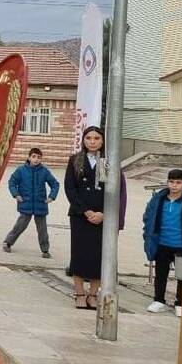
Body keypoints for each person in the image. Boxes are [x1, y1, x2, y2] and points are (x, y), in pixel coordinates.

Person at [64, 125, 109, 310]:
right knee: (79, 256)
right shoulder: (75, 160)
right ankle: (80, 294)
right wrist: (86, 211)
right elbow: (70, 188)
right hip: (80, 216)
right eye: (88, 138)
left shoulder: (107, 162)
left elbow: (113, 191)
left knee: (98, 257)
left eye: (96, 138)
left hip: (102, 217)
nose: (92, 142)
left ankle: (93, 294)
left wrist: (103, 213)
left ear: (102, 141)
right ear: (83, 140)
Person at [143, 169, 182, 317]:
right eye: (171, 182)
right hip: (162, 243)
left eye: (178, 182)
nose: (174, 185)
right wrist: (147, 234)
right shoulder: (158, 199)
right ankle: (159, 300)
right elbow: (148, 217)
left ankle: (180, 303)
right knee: (161, 273)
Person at [4, 148, 60, 259]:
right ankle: (8, 242)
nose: (36, 159)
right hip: (25, 203)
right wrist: (16, 194)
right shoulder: (21, 170)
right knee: (20, 226)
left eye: (39, 157)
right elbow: (12, 182)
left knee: (42, 229)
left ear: (41, 159)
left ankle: (45, 250)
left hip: (40, 204)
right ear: (29, 157)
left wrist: (51, 197)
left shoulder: (44, 171)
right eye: (34, 156)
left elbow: (55, 184)